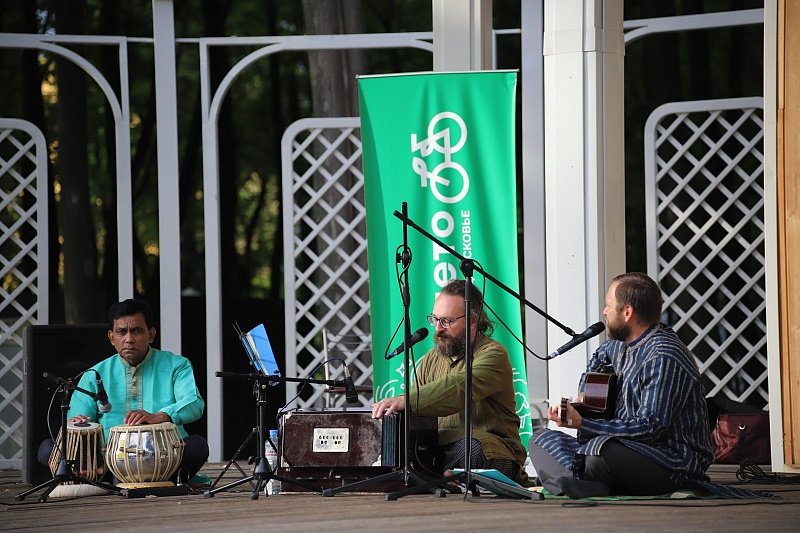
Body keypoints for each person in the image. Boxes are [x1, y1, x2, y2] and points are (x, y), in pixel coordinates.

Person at [528, 272, 763, 499]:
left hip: (670, 460)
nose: (604, 312)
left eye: (608, 305)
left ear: (627, 312)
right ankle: (583, 483)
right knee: (541, 439)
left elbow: (650, 428)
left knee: (600, 450)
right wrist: (581, 403)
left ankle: (569, 481)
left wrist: (583, 422)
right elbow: (597, 362)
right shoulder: (619, 345)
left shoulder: (663, 355)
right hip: (622, 450)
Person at [372, 279, 528, 484]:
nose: (438, 329)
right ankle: (437, 475)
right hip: (441, 450)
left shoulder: (493, 354)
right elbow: (419, 415)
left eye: (446, 321)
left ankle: (440, 475)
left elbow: (459, 387)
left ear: (473, 320)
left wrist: (407, 400)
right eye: (435, 320)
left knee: (471, 448)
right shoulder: (430, 359)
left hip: (492, 450)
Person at [38, 299, 209, 484]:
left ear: (151, 334)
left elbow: (194, 403)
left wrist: (160, 416)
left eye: (137, 331)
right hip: (108, 458)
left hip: (164, 455)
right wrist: (78, 423)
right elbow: (77, 419)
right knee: (47, 448)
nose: (129, 339)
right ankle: (103, 473)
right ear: (112, 338)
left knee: (197, 446)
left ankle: (100, 478)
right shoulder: (95, 374)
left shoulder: (177, 365)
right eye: (121, 332)